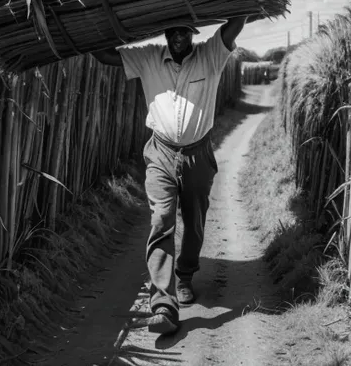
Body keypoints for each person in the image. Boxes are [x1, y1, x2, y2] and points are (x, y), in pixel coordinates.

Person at [92, 17, 247, 335]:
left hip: (198, 154)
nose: (177, 35)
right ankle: (163, 304)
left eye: (183, 30)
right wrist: (89, 26)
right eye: (172, 30)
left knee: (194, 219)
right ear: (164, 32)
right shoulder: (148, 57)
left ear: (193, 32)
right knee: (161, 219)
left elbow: (232, 28)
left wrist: (245, 4)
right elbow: (106, 56)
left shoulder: (210, 55)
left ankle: (185, 275)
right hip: (160, 153)